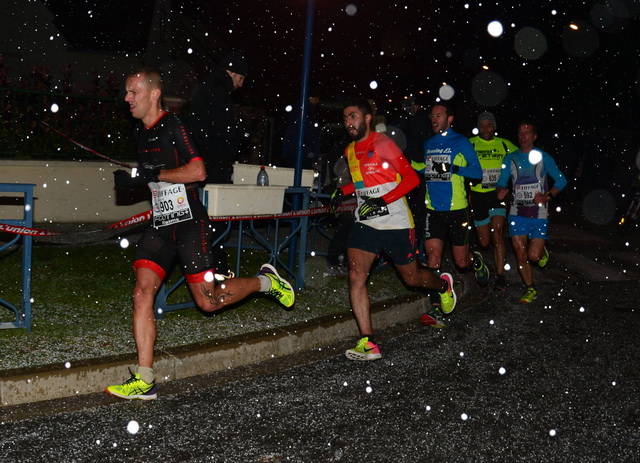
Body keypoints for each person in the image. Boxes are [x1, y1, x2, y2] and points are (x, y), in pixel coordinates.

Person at [107, 68, 294, 400]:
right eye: (126, 92)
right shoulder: (142, 133)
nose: (127, 98)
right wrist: (137, 179)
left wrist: (155, 172)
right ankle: (145, 378)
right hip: (161, 224)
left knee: (208, 303)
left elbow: (198, 170)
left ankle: (266, 281)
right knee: (141, 291)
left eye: (133, 92)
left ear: (153, 94)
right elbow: (157, 178)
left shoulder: (174, 126)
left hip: (191, 223)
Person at [331, 97, 456, 361]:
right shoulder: (351, 151)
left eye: (352, 116)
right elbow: (362, 183)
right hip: (366, 221)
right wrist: (342, 191)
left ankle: (442, 286)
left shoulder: (383, 144)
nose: (348, 123)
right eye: (345, 119)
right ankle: (369, 342)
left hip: (396, 222)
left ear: (367, 119)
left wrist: (382, 200)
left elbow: (411, 179)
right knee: (356, 276)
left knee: (412, 279)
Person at [412, 102, 489, 326]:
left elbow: (477, 172)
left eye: (439, 115)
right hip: (433, 210)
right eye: (432, 116)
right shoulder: (429, 144)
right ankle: (437, 306)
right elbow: (425, 168)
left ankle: (476, 261)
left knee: (461, 261)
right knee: (433, 260)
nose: (434, 119)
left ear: (450, 119)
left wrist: (453, 169)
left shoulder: (461, 142)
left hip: (457, 210)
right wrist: (405, 164)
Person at [186, 50, 249, 277]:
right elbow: (223, 131)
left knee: (206, 219)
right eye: (240, 78)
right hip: (213, 166)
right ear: (230, 72)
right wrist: (240, 134)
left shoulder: (206, 88)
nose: (240, 85)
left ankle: (210, 267)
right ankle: (215, 268)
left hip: (202, 163)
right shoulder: (218, 93)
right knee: (215, 220)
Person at [496, 121, 567, 303]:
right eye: (520, 133)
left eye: (527, 133)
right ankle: (530, 288)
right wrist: (501, 190)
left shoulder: (543, 157)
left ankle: (542, 252)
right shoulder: (510, 158)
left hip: (538, 213)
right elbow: (501, 181)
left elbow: (561, 180)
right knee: (521, 254)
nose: (523, 136)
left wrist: (547, 196)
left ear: (534, 136)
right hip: (516, 212)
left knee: (533, 256)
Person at [468, 112, 518, 290]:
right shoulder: (471, 143)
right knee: (484, 242)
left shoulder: (504, 144)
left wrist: (511, 187)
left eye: (489, 125)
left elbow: (523, 159)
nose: (485, 128)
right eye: (482, 125)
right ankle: (478, 259)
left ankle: (500, 276)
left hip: (498, 195)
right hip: (478, 195)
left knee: (497, 233)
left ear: (494, 127)